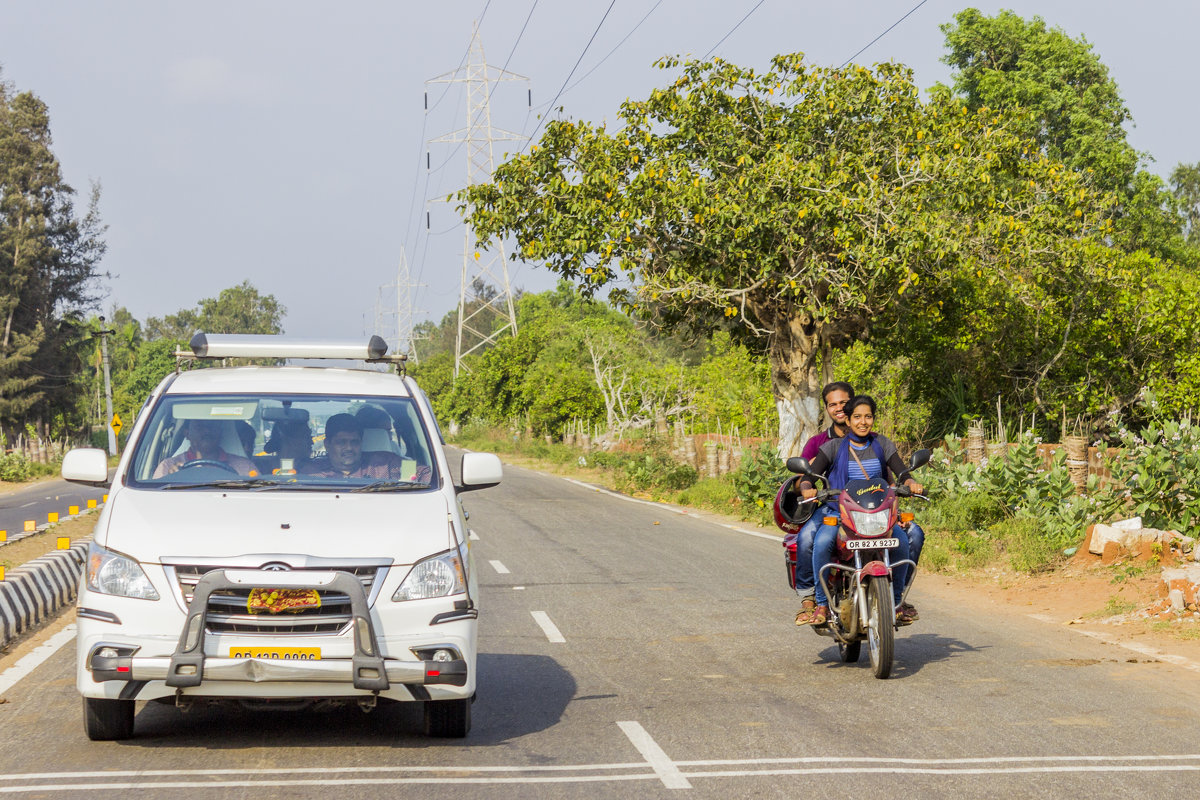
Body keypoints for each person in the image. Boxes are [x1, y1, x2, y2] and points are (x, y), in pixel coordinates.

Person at [799, 395, 925, 626]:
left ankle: (896, 602)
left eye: (868, 416)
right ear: (847, 420)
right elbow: (808, 478)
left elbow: (902, 472)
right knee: (822, 541)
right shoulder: (832, 447)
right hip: (840, 513)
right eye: (857, 417)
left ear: (873, 419)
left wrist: (910, 483)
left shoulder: (883, 444)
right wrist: (808, 489)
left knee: (904, 541)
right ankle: (822, 604)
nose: (863, 422)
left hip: (878, 515)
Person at [792, 381, 854, 625]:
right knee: (808, 538)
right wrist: (807, 487)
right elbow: (801, 480)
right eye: (832, 404)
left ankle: (894, 597)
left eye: (844, 403)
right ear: (827, 409)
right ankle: (810, 597)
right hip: (830, 505)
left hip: (866, 509)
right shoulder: (817, 442)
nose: (839, 408)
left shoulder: (870, 437)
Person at [302, 413, 430, 482]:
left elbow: (424, 473)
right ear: (327, 445)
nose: (349, 448)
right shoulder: (311, 471)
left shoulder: (384, 463)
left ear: (361, 442)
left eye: (354, 442)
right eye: (341, 442)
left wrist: (406, 483)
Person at [153, 418, 256, 478]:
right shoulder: (168, 468)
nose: (207, 431)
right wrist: (172, 481)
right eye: (199, 427)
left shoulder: (245, 467)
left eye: (212, 426)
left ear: (220, 432)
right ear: (187, 433)